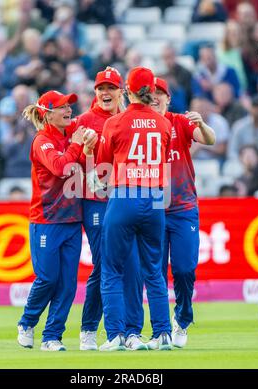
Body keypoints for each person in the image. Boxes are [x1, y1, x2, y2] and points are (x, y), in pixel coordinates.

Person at [89, 67, 173, 351]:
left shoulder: (115, 123)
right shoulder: (163, 123)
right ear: (152, 90)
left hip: (124, 196)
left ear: (127, 90)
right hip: (155, 199)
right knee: (154, 271)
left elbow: (102, 166)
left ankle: (116, 336)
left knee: (111, 270)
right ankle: (163, 333)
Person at [16, 90, 95, 352]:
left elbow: (81, 163)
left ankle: (52, 336)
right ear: (48, 114)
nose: (68, 110)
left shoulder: (68, 134)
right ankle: (27, 322)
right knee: (48, 278)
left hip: (72, 219)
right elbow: (61, 167)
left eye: (69, 105)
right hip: (46, 220)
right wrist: (76, 144)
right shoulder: (42, 141)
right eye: (62, 107)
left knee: (68, 284)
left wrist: (87, 147)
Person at [77, 67, 145, 351]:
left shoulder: (131, 119)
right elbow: (74, 166)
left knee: (131, 265)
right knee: (106, 262)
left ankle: (130, 332)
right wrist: (84, 149)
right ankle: (91, 328)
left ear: (121, 91)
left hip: (127, 200)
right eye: (101, 88)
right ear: (95, 92)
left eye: (111, 88)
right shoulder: (83, 121)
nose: (105, 93)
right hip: (96, 202)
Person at [147, 77, 215, 348]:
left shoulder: (180, 121)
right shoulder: (140, 127)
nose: (155, 97)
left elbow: (210, 139)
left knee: (185, 269)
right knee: (155, 273)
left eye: (160, 93)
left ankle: (183, 318)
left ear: (168, 98)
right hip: (153, 208)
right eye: (150, 94)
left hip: (183, 207)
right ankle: (160, 330)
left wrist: (202, 124)